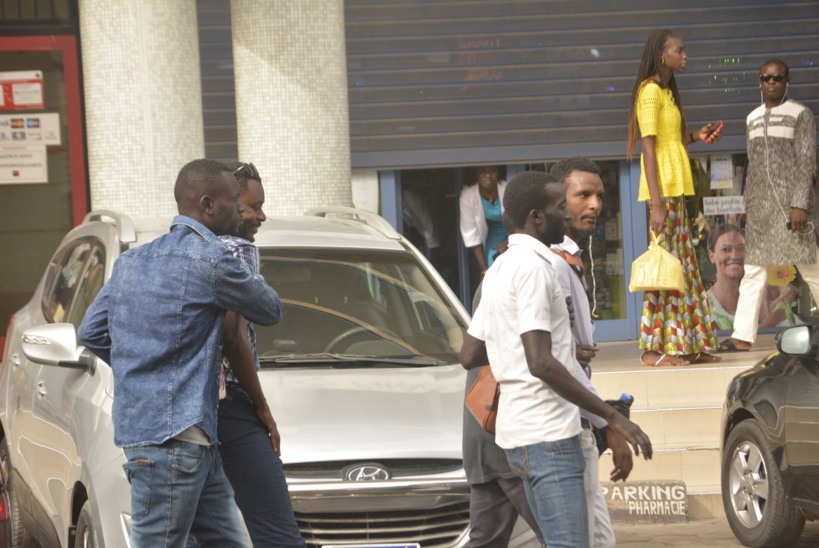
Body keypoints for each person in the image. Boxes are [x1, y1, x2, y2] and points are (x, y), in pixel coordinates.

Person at [78, 159, 282, 547]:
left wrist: (143, 370)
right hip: (175, 443)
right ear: (208, 205)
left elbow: (91, 332)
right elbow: (270, 310)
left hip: (185, 440)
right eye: (233, 201)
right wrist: (243, 258)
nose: (240, 210)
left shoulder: (131, 261)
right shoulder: (214, 259)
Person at [460, 171, 653, 548]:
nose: (566, 214)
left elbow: (470, 353)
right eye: (560, 206)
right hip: (548, 435)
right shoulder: (536, 267)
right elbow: (540, 362)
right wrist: (613, 417)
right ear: (536, 216)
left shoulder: (499, 267)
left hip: (517, 437)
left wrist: (535, 344)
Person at [192, 162, 305, 547]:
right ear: (223, 204)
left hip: (187, 409)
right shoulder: (237, 249)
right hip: (231, 405)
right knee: (277, 534)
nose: (260, 216)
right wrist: (262, 408)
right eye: (253, 206)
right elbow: (233, 334)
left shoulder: (179, 251)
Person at [549, 157, 634, 547]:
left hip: (578, 417)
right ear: (557, 199)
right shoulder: (551, 263)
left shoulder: (573, 258)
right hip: (561, 423)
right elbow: (558, 361)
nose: (595, 205)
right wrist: (609, 423)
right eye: (583, 195)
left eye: (599, 196)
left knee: (598, 537)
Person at [626, 29, 722, 367]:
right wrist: (656, 203)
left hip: (675, 191)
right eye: (678, 50)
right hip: (663, 194)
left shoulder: (666, 92)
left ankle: (688, 344)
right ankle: (653, 350)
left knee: (682, 269)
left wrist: (695, 136)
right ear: (661, 55)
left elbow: (671, 142)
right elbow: (648, 149)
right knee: (663, 271)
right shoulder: (649, 92)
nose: (684, 56)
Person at [719, 58, 819, 352]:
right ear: (760, 82)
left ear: (787, 81)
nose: (771, 82)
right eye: (766, 78)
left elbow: (806, 162)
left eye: (777, 77)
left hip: (792, 210)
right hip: (761, 213)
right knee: (753, 272)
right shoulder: (752, 118)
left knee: (811, 270)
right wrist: (748, 205)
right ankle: (742, 336)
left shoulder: (800, 114)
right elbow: (752, 166)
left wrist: (799, 204)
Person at [462, 283, 545, 548]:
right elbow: (538, 359)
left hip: (486, 437)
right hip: (510, 436)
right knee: (559, 535)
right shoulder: (519, 277)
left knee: (486, 540)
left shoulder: (496, 279)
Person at [705, 223, 798, 331]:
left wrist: (788, 291)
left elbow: (782, 286)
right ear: (712, 256)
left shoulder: (758, 287)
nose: (735, 256)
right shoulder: (704, 306)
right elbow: (728, 341)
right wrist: (770, 322)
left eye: (740, 248)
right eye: (726, 250)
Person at [459, 166, 508, 276]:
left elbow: (521, 219)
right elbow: (471, 234)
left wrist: (507, 242)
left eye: (493, 171)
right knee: (493, 265)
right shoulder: (468, 195)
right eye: (483, 172)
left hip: (516, 228)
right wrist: (484, 269)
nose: (488, 175)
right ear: (476, 173)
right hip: (495, 229)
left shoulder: (506, 187)